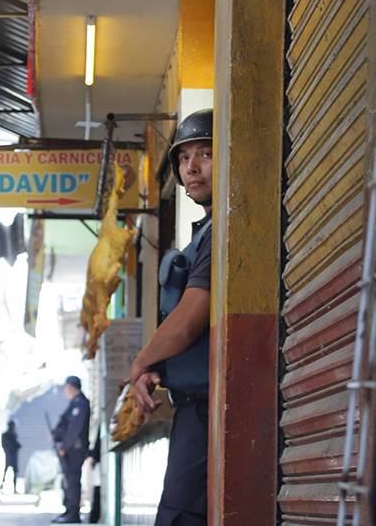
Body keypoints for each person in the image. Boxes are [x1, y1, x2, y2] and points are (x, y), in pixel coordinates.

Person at [126, 108, 214, 526]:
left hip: (209, 411)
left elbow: (191, 317)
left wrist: (142, 360)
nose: (191, 168)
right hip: (194, 409)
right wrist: (156, 364)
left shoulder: (222, 235)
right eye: (183, 158)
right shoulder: (205, 233)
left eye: (206, 154)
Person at [51, 376, 91, 524]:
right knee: (68, 481)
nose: (65, 391)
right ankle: (69, 510)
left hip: (74, 449)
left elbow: (74, 429)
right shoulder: (75, 403)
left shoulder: (80, 403)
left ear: (72, 387)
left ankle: (73, 514)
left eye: (66, 387)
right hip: (70, 449)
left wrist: (64, 446)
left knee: (73, 481)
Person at [1, 420, 22, 493]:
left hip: (13, 455)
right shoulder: (6, 435)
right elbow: (4, 445)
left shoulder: (13, 435)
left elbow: (16, 444)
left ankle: (14, 489)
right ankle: (2, 487)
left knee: (14, 472)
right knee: (6, 471)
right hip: (9, 455)